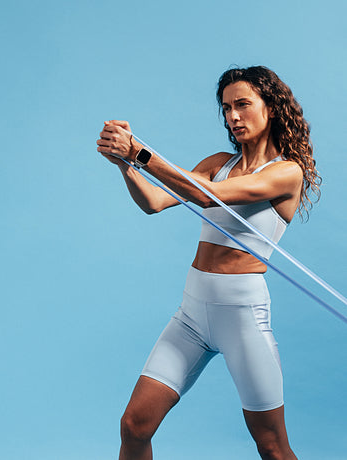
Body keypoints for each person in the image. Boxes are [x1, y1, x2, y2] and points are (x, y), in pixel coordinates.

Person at [96, 66, 321, 460]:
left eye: (243, 105)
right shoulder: (219, 162)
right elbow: (154, 202)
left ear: (271, 108)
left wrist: (139, 152)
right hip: (191, 314)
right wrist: (124, 163)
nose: (233, 116)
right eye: (227, 108)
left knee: (272, 446)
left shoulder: (287, 173)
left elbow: (209, 197)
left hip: (242, 316)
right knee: (134, 426)